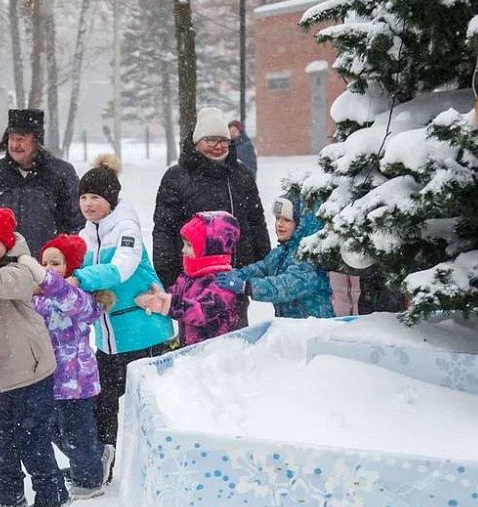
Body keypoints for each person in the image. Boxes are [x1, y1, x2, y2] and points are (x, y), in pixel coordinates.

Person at [68, 155, 175, 482]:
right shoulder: (86, 235)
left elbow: (121, 269)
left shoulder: (126, 230)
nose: (88, 204)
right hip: (108, 340)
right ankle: (101, 464)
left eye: (95, 197)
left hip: (144, 334)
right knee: (101, 404)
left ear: (111, 200)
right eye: (84, 197)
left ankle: (162, 465)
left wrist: (80, 278)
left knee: (151, 406)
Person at [0, 207, 69, 507]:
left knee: (33, 438)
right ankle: (9, 495)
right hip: (1, 376)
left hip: (31, 371)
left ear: (8, 244)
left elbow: (0, 284)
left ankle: (52, 494)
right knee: (1, 440)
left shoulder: (20, 268)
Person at [153, 107, 270, 327]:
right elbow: (164, 229)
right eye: (210, 140)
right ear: (197, 141)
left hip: (235, 276)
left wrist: (261, 264)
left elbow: (256, 222)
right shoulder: (177, 177)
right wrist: (168, 275)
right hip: (191, 281)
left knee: (236, 335)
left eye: (223, 140)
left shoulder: (241, 175)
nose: (218, 146)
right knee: (198, 333)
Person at [31, 234, 105, 498]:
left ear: (70, 267)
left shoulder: (79, 297)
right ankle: (95, 457)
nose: (49, 269)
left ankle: (89, 479)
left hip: (76, 378)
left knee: (77, 431)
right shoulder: (38, 297)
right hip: (49, 376)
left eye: (56, 264)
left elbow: (66, 297)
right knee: (51, 428)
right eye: (44, 264)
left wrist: (44, 282)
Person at [0, 108, 83, 257]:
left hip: (46, 264)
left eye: (20, 139)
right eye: (11, 139)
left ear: (36, 141)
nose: (15, 145)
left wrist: (66, 257)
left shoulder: (61, 174)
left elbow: (77, 222)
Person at [214, 196, 335, 319]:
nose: (279, 224)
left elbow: (285, 286)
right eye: (278, 218)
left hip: (315, 326)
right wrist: (231, 275)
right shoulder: (280, 253)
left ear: (301, 225)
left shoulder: (308, 256)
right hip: (291, 326)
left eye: (287, 220)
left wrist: (246, 286)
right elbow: (259, 269)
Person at [135, 211, 242, 347]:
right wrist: (160, 295)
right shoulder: (189, 277)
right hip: (193, 350)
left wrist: (166, 304)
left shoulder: (223, 282)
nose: (183, 250)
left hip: (216, 351)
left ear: (210, 248)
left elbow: (200, 312)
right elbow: (176, 294)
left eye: (189, 245)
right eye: (184, 244)